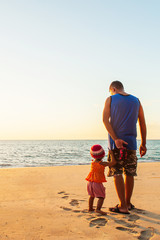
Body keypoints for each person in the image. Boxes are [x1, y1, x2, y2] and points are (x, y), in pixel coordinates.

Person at [103, 80, 147, 214]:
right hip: (131, 143)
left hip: (116, 144)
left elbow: (105, 120)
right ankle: (127, 203)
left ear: (113, 89)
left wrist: (115, 139)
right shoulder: (136, 101)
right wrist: (143, 143)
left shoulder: (110, 99)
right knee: (129, 173)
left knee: (117, 173)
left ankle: (122, 206)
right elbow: (142, 124)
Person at [85, 144, 116, 215]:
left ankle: (90, 208)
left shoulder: (93, 162)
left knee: (92, 196)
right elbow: (113, 163)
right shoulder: (102, 163)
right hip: (97, 182)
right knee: (101, 197)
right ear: (102, 155)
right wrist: (111, 154)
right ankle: (98, 209)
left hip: (90, 182)